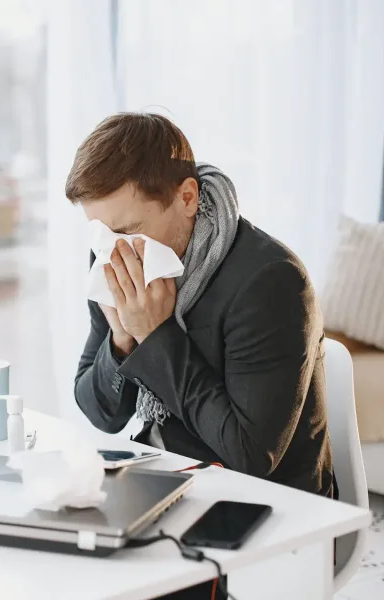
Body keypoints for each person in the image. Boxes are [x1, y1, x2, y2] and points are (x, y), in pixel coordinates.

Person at [68, 113, 334, 597]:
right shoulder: (113, 250)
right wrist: (121, 340)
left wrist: (156, 335)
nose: (111, 252)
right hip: (160, 481)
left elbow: (251, 456)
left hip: (266, 508)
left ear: (187, 198)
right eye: (99, 234)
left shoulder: (270, 281)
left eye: (128, 229)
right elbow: (99, 411)